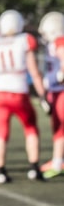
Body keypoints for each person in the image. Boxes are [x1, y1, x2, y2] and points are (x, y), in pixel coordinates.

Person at [0, 9, 46, 183]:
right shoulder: (24, 41)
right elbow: (34, 72)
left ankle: (1, 170)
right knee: (31, 128)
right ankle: (34, 167)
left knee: (0, 133)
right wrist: (43, 96)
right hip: (19, 90)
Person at [37, 11, 64, 178]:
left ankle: (57, 162)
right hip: (55, 91)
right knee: (57, 127)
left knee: (61, 128)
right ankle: (57, 160)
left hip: (61, 91)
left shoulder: (60, 41)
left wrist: (59, 75)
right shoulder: (52, 44)